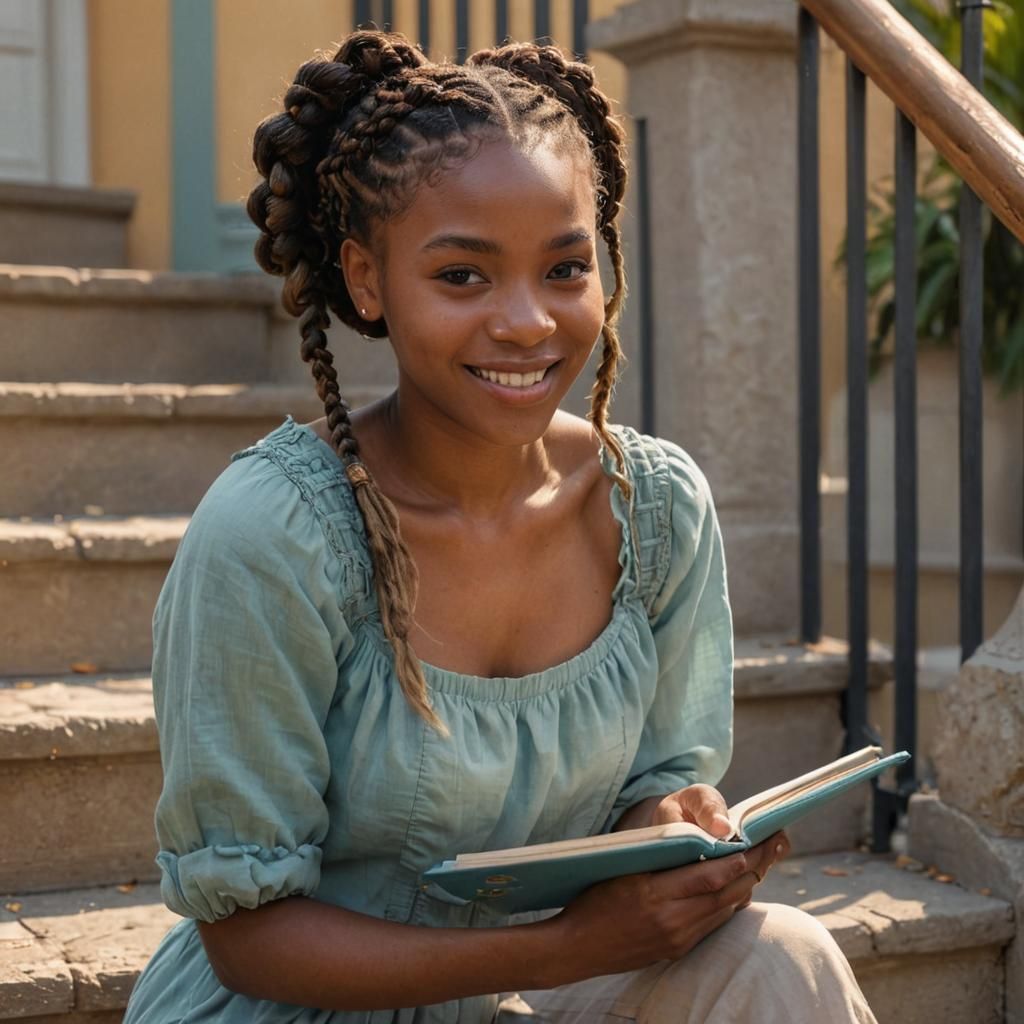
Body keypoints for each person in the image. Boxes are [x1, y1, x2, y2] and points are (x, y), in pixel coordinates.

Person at [123, 29, 877, 1024]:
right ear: (364, 278)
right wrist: (565, 947)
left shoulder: (650, 508)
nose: (527, 321)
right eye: (463, 276)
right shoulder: (275, 535)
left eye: (564, 268)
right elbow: (248, 937)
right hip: (298, 1007)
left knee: (779, 958)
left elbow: (653, 785)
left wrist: (671, 828)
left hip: (508, 993)